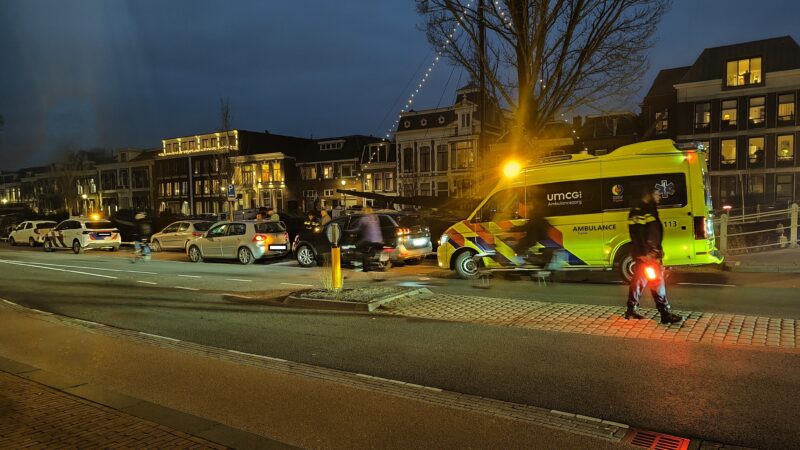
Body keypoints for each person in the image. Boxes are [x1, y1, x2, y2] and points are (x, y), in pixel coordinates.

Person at [625, 186, 683, 324]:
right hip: (648, 255)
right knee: (657, 282)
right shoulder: (644, 210)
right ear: (648, 195)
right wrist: (648, 253)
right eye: (656, 194)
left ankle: (631, 310)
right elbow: (640, 233)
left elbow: (648, 234)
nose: (659, 197)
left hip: (646, 253)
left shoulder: (642, 209)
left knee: (639, 280)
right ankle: (664, 313)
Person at [355, 207, 383, 271]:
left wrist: (349, 231)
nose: (362, 212)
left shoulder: (364, 219)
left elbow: (358, 229)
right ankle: (372, 257)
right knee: (369, 248)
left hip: (369, 240)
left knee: (357, 246)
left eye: (363, 211)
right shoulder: (376, 217)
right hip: (379, 240)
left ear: (365, 211)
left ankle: (366, 263)